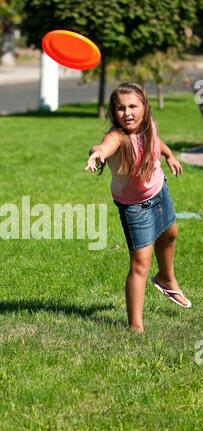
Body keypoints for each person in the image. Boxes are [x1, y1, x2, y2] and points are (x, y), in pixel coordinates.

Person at [85, 82, 191, 333]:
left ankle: (165, 278)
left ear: (145, 107)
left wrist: (169, 155)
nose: (127, 113)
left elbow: (156, 141)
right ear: (114, 112)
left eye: (133, 106)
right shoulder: (118, 137)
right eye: (120, 108)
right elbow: (103, 146)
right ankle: (135, 327)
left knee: (171, 233)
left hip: (159, 191)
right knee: (140, 263)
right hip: (135, 207)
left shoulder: (148, 127)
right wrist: (96, 153)